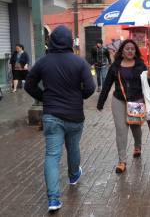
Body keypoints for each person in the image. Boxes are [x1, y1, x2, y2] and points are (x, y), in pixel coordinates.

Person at [25, 25, 95, 211]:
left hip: (51, 115)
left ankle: (53, 199)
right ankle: (73, 176)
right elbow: (90, 88)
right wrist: (78, 97)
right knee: (73, 148)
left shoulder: (43, 62)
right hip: (74, 115)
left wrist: (43, 97)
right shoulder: (79, 62)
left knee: (52, 155)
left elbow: (29, 85)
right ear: (70, 41)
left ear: (52, 40)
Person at [97, 39, 150, 174]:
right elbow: (107, 85)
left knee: (135, 127)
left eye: (133, 49)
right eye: (127, 49)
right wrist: (101, 102)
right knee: (121, 130)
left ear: (135, 51)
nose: (130, 51)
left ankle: (137, 146)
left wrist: (149, 76)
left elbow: (147, 84)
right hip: (119, 100)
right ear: (122, 51)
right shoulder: (115, 66)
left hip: (136, 100)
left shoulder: (141, 65)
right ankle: (122, 161)